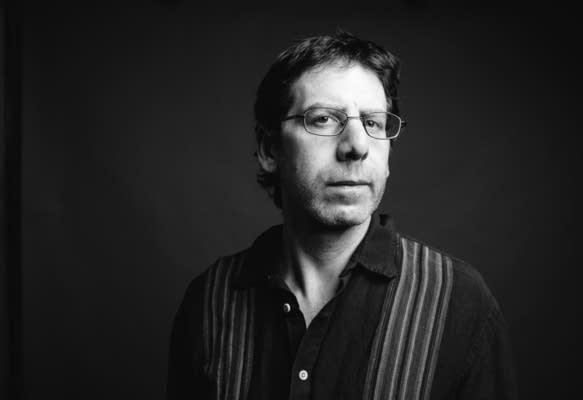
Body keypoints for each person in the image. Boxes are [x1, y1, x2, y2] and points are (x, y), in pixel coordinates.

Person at [166, 31, 518, 400]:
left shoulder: (460, 303)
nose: (357, 146)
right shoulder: (209, 301)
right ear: (270, 149)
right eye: (324, 119)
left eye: (373, 123)